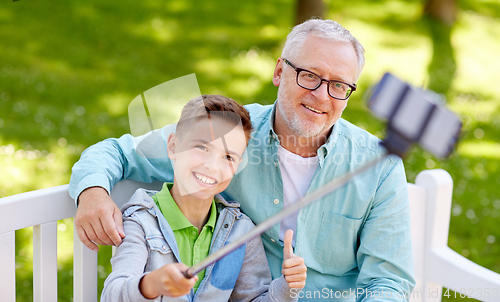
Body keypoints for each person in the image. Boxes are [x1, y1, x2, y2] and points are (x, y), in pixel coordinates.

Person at [70, 19, 415, 301]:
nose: (321, 96)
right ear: (280, 71)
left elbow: (387, 284)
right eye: (309, 75)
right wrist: (93, 192)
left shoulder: (379, 165)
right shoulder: (230, 135)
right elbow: (117, 152)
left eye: (339, 85)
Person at [101, 95, 306, 301]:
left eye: (228, 157)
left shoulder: (242, 232)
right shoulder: (140, 221)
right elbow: (113, 294)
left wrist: (286, 287)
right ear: (173, 146)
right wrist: (152, 284)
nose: (212, 166)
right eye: (202, 147)